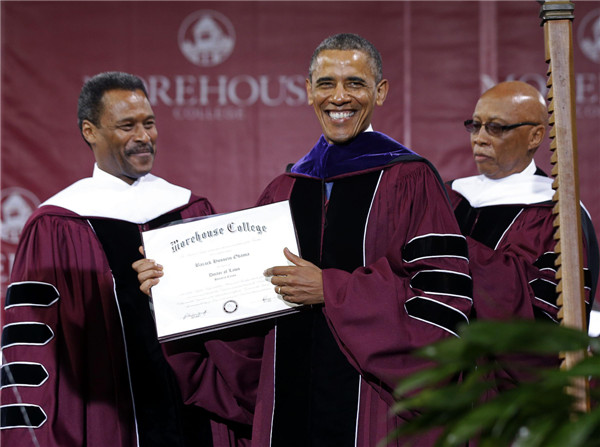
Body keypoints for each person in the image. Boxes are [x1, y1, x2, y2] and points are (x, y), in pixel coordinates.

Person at [137, 33, 473, 446]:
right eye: (327, 83)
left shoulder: (410, 179)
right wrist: (173, 289)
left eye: (355, 83)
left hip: (374, 408)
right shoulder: (286, 189)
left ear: (380, 92)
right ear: (308, 91)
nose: (340, 97)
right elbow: (248, 304)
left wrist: (331, 290)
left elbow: (442, 301)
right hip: (288, 408)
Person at [0, 72, 259, 447]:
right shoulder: (56, 224)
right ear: (90, 131)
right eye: (127, 126)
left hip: (193, 416)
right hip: (105, 421)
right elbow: (33, 346)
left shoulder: (188, 210)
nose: (144, 137)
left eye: (149, 123)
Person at [446, 81, 598, 387]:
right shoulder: (451, 198)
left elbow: (550, 327)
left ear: (536, 136)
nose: (480, 139)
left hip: (505, 392)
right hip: (439, 378)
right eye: (475, 126)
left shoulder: (558, 216)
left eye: (496, 128)